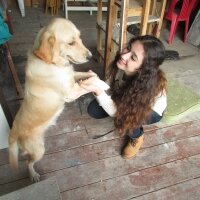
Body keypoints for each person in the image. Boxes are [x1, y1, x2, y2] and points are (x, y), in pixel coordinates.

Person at [80, 35, 167, 159]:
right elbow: (109, 84)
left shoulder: (145, 87)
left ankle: (137, 136)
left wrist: (97, 90)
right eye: (128, 48)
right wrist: (97, 82)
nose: (124, 56)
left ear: (142, 69)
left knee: (126, 121)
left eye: (133, 57)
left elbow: (120, 114)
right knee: (94, 110)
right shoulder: (122, 65)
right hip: (126, 97)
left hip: (149, 111)